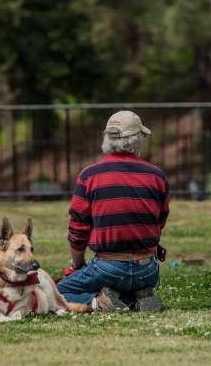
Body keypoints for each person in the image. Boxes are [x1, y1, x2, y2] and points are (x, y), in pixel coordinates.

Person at [57, 110, 170, 312]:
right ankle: (140, 296)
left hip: (107, 267)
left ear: (107, 139)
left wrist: (78, 264)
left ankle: (100, 302)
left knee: (54, 292)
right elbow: (160, 221)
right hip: (147, 269)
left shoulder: (90, 176)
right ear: (138, 140)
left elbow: (78, 229)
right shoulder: (157, 176)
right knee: (129, 279)